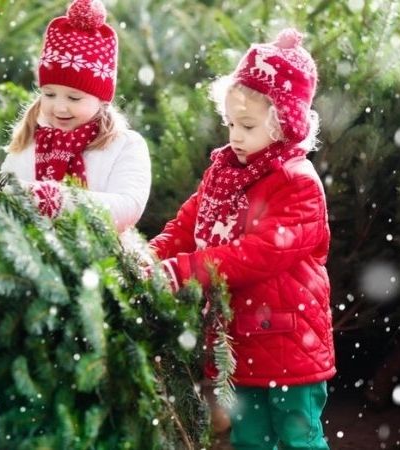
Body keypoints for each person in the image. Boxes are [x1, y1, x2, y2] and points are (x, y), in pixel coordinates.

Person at [148, 28, 333, 450]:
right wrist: (153, 253)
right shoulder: (226, 174)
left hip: (289, 342)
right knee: (250, 437)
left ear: (283, 123)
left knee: (298, 435)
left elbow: (258, 254)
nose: (234, 135)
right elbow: (188, 221)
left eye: (247, 125)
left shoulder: (297, 183)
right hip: (241, 343)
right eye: (230, 122)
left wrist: (183, 271)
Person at [0, 0, 149, 233]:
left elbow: (127, 207)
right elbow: (8, 199)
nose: (59, 108)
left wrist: (53, 200)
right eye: (49, 94)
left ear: (101, 99)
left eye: (74, 98)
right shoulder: (31, 143)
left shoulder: (124, 146)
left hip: (104, 263)